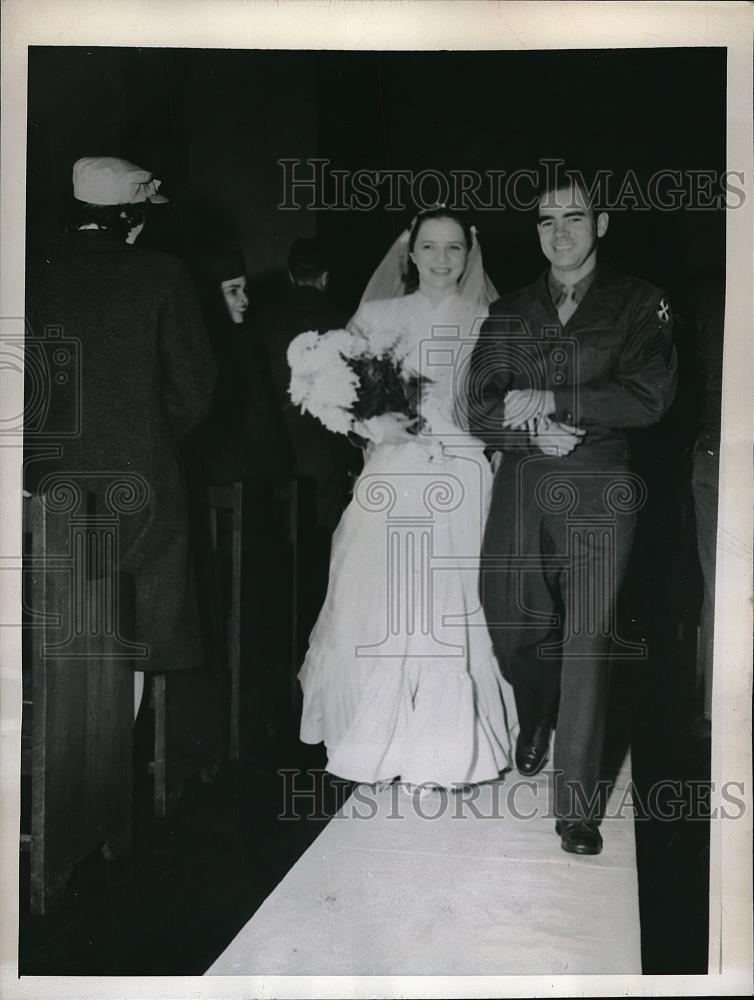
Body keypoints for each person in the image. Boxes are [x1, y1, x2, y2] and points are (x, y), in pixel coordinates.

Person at [469, 174, 677, 854]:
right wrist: (530, 432)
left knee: (589, 635)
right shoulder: (509, 309)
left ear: (603, 222)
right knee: (510, 622)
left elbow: (649, 396)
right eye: (545, 220)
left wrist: (555, 403)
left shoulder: (641, 302)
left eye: (574, 217)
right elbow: (477, 407)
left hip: (600, 485)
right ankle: (538, 707)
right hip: (525, 479)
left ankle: (577, 809)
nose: (559, 231)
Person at [297, 208, 515, 790]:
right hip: (395, 473)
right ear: (410, 254)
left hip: (463, 472)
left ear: (470, 255)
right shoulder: (377, 315)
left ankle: (454, 743)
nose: (442, 259)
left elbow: (501, 402)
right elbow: (333, 391)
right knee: (386, 598)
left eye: (454, 248)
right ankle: (376, 736)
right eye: (430, 247)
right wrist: (375, 430)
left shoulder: (491, 318)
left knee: (456, 599)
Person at [25, 156, 216, 696]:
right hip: (141, 478)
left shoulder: (30, 271)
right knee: (135, 634)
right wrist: (143, 433)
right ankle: (110, 770)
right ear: (132, 217)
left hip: (44, 484)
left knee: (56, 624)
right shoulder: (164, 273)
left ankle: (50, 769)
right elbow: (195, 387)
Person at [256, 237, 359, 652]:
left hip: (271, 449)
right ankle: (315, 637)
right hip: (324, 449)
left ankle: (276, 638)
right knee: (323, 551)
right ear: (327, 278)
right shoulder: (343, 321)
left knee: (272, 548)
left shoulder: (263, 319)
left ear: (289, 273)